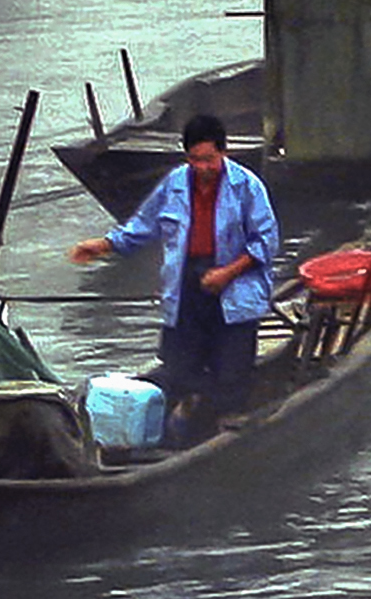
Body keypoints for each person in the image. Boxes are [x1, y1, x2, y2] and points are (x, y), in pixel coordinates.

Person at [70, 113, 280, 440]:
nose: (203, 167)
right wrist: (105, 244)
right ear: (187, 157)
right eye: (195, 160)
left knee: (232, 375)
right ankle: (183, 419)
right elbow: (144, 225)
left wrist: (227, 273)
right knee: (179, 369)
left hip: (234, 286)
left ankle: (222, 427)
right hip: (187, 284)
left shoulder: (247, 186)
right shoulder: (176, 183)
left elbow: (265, 242)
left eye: (209, 159)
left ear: (223, 153)